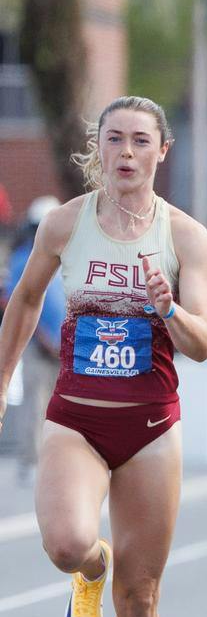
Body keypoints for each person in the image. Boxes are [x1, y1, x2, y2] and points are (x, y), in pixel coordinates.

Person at [0, 97, 207, 617]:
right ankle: (89, 572)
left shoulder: (186, 238)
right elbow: (26, 299)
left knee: (143, 599)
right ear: (100, 149)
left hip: (151, 427)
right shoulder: (67, 224)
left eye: (140, 141)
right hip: (77, 418)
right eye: (114, 139)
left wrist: (167, 305)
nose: (126, 152)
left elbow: (204, 344)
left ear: (162, 150)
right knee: (66, 542)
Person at [7, 197, 66, 480]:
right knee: (35, 402)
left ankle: (52, 461)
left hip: (62, 346)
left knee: (58, 407)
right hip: (37, 345)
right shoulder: (24, 258)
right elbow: (22, 302)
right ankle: (30, 461)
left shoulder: (65, 258)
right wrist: (45, 340)